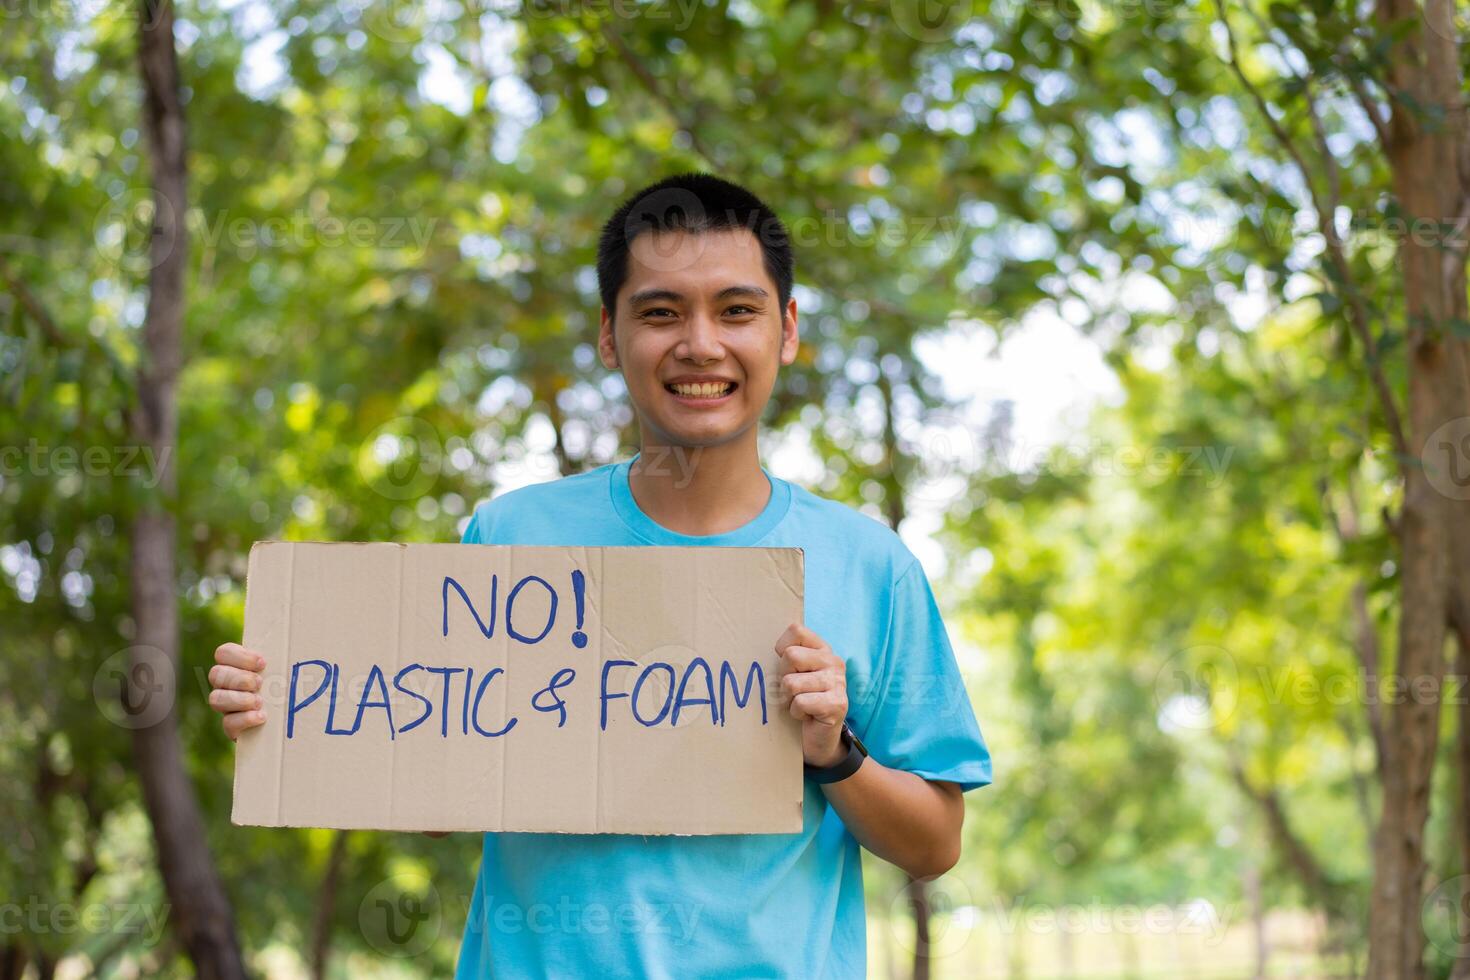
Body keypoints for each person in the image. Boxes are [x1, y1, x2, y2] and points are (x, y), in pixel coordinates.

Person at [208, 172, 992, 978]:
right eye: (660, 312)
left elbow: (935, 844)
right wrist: (293, 709)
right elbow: (442, 805)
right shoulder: (512, 535)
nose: (700, 343)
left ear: (786, 329)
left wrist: (835, 753)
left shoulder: (870, 565)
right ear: (610, 337)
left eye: (736, 310)